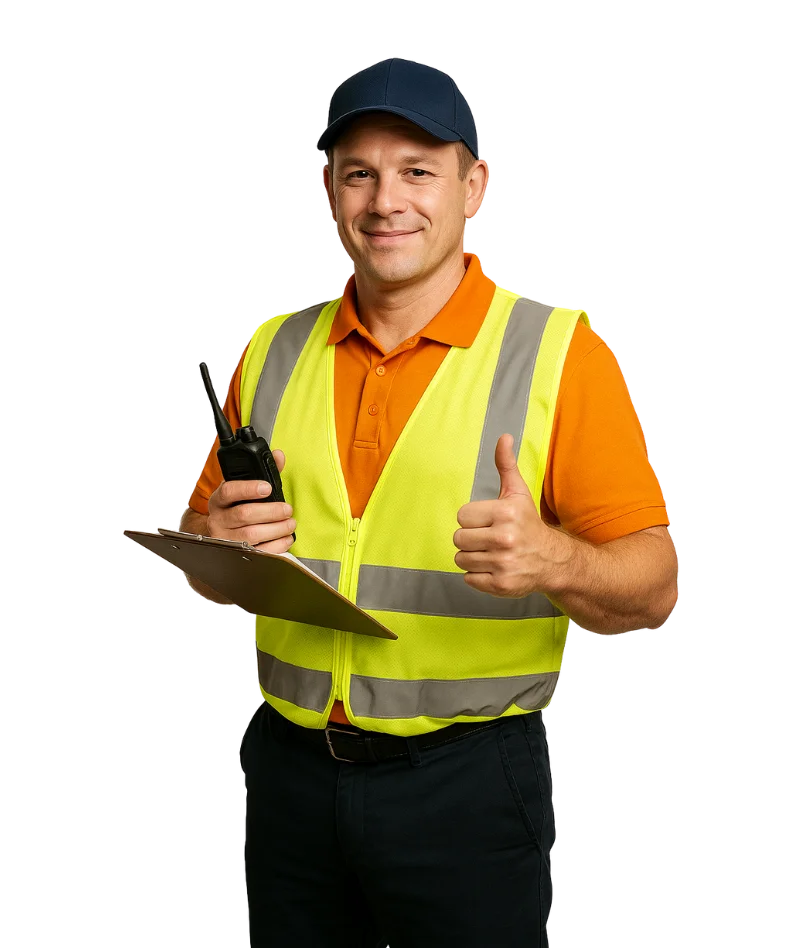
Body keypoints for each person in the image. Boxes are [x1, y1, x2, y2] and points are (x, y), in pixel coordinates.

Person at [180, 56, 678, 948]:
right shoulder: (270, 348)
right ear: (328, 191)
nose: (385, 201)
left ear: (475, 187)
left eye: (417, 171)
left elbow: (653, 590)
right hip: (286, 774)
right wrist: (207, 540)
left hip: (466, 785)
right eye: (359, 173)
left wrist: (554, 559)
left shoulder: (560, 352)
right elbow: (209, 559)